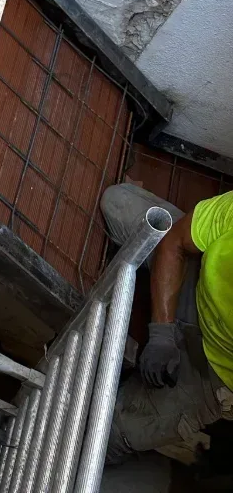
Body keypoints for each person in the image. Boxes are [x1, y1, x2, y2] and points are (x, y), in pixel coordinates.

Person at [102, 181, 233, 464]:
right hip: (196, 286)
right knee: (117, 202)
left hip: (215, 374)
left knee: (104, 437)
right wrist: (161, 332)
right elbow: (175, 241)